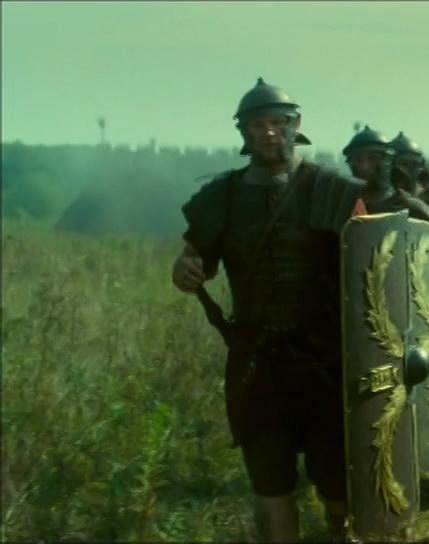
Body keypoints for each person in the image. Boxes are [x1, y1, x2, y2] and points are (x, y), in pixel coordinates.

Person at [171, 77, 363, 541]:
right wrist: (185, 269)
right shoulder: (221, 197)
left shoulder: (334, 191)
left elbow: (373, 268)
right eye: (259, 125)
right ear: (245, 132)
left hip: (324, 360)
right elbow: (193, 258)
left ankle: (340, 528)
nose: (269, 132)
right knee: (270, 478)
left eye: (278, 122)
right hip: (256, 361)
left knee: (335, 477)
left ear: (296, 125)